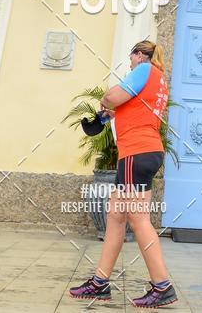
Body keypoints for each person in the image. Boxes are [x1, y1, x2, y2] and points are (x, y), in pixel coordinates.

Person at [69, 41, 177, 308]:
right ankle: (100, 282)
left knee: (138, 219)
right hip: (145, 151)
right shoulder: (158, 79)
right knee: (116, 216)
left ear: (139, 55)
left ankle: (162, 286)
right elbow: (126, 106)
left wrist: (106, 101)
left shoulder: (144, 69)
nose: (129, 65)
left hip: (136, 153)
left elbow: (111, 96)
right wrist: (107, 116)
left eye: (130, 59)